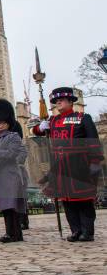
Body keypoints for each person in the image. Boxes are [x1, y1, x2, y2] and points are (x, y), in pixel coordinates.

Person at [33, 87, 104, 242]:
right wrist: (40, 127)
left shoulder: (82, 118)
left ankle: (87, 231)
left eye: (62, 100)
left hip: (80, 164)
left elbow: (93, 141)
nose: (58, 103)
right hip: (61, 166)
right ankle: (76, 230)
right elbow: (36, 131)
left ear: (71, 101)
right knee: (67, 201)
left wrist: (95, 162)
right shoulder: (53, 121)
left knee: (83, 200)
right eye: (56, 101)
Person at [0, 99, 27, 243]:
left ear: (8, 122)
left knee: (12, 205)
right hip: (0, 176)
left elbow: (12, 154)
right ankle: (10, 232)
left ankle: (16, 233)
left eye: (2, 122)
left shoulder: (13, 137)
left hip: (10, 175)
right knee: (5, 206)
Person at [12, 121, 30, 230]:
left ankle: (24, 221)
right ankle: (16, 220)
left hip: (19, 173)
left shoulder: (19, 144)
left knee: (20, 198)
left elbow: (22, 156)